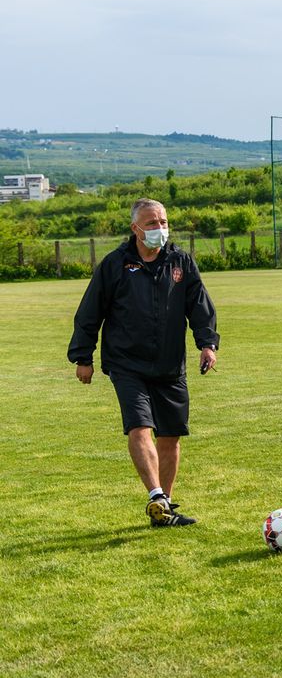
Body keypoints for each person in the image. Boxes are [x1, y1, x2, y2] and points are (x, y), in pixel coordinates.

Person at [68, 198, 219, 527]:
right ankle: (156, 496)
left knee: (170, 437)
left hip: (169, 364)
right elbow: (90, 311)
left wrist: (207, 344)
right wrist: (83, 356)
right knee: (140, 427)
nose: (159, 229)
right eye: (151, 223)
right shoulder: (115, 265)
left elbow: (199, 305)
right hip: (127, 364)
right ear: (135, 228)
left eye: (163, 221)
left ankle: (164, 508)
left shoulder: (180, 262)